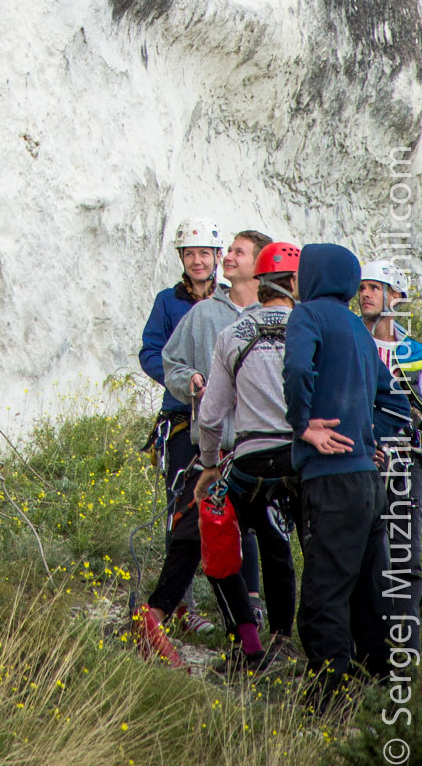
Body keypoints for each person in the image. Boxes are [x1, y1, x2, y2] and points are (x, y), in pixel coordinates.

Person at [136, 229, 274, 663]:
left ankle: (259, 629)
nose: (207, 260)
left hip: (255, 446)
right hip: (205, 436)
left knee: (250, 535)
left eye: (231, 252)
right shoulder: (189, 312)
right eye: (191, 253)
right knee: (201, 530)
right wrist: (186, 383)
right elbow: (160, 356)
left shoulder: (269, 319)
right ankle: (176, 616)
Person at [283, 242, 410, 705]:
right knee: (365, 594)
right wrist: (368, 439)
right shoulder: (360, 330)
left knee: (322, 598)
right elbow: (396, 402)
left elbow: (297, 367)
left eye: (301, 271)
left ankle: (329, 701)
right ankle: (379, 696)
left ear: (315, 276)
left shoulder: (309, 315)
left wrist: (304, 426)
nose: (296, 281)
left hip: (331, 478)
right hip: (367, 484)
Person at [194, 242, 303, 672]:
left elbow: (211, 414)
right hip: (301, 457)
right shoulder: (309, 328)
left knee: (220, 543)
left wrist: (208, 464)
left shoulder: (233, 334)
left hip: (251, 458)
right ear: (294, 283)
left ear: (260, 281)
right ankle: (286, 639)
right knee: (289, 550)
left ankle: (248, 642)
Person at [138, 219, 223, 626]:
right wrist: (182, 378)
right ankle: (183, 605)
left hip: (226, 417)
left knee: (235, 509)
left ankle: (244, 607)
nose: (197, 261)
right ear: (182, 259)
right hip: (181, 416)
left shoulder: (228, 304)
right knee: (182, 509)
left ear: (217, 257)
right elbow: (151, 352)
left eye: (204, 253)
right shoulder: (167, 303)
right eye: (190, 254)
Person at [358, 260, 421, 658]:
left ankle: (407, 652)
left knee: (405, 555)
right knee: (365, 555)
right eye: (361, 287)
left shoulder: (412, 351)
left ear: (394, 297)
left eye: (374, 287)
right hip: (361, 460)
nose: (364, 294)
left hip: (405, 461)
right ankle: (369, 650)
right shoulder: (351, 340)